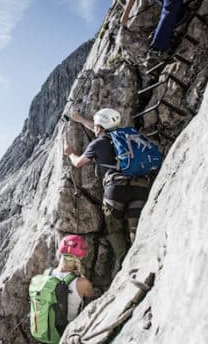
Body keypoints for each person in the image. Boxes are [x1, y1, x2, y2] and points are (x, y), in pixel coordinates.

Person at [63, 108, 152, 267]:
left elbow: (78, 163)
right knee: (137, 229)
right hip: (140, 186)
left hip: (115, 190)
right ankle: (144, 261)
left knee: (114, 229)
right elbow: (99, 128)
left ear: (99, 128)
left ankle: (127, 265)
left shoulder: (97, 144)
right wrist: (82, 120)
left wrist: (70, 153)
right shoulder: (127, 135)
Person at [121, 0, 189, 60]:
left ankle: (157, 47)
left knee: (170, 11)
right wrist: (126, 13)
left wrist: (126, 14)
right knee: (171, 12)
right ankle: (159, 44)